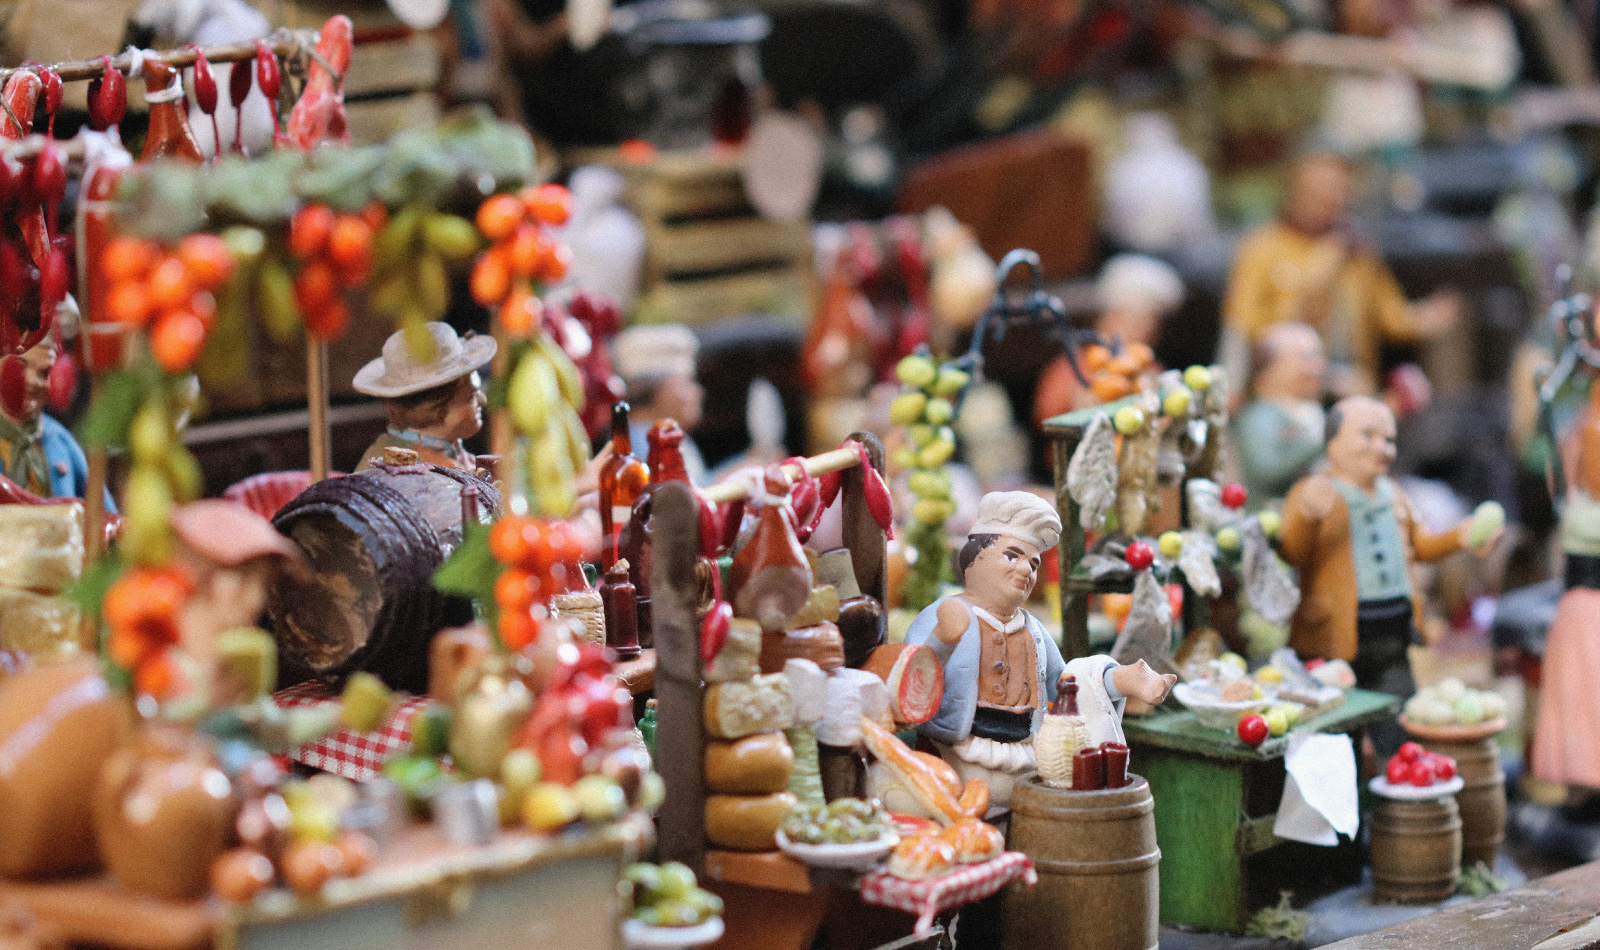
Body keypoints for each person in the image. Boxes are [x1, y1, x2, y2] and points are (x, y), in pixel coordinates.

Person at [905, 491, 1176, 807]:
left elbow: (1065, 686)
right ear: (975, 559)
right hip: (957, 760)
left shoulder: (1031, 629)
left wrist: (1118, 680)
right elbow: (910, 683)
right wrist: (942, 637)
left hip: (1025, 762)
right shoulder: (947, 613)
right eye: (1012, 556)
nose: (1025, 571)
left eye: (1033, 563)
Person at [1278, 397, 1497, 749]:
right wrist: (1307, 515)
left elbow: (1420, 546)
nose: (1381, 448)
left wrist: (1461, 536)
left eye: (1389, 440)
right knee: (1335, 731)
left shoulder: (1394, 495)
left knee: (1398, 722)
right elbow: (1291, 552)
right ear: (1333, 443)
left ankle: (1396, 790)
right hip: (1336, 637)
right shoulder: (1315, 492)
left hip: (1393, 634)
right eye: (1367, 436)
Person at [1219, 153, 1460, 399]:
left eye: (1338, 189)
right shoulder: (1261, 248)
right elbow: (1243, 328)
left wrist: (1425, 318)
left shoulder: (1357, 252)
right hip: (1284, 391)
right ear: (1296, 190)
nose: (1331, 198)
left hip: (1351, 385)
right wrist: (1312, 279)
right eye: (1320, 189)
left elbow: (1390, 316)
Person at [1033, 254, 1185, 426]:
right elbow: (1046, 416)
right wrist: (1078, 402)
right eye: (1131, 320)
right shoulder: (1074, 366)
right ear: (1107, 318)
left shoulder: (1153, 371)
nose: (1142, 330)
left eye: (1149, 324)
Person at [352, 323, 496, 473]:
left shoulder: (446, 448)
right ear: (433, 406)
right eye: (470, 397)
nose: (482, 400)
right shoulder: (396, 466)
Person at [0, 337, 115, 511]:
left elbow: (103, 510)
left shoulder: (59, 440)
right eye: (20, 368)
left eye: (44, 373)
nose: (33, 381)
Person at [1233, 322, 1329, 509]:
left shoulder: (1314, 412)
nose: (1318, 367)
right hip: (1271, 520)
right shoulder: (1259, 415)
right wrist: (1325, 437)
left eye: (1319, 356)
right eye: (1307, 357)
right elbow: (1267, 471)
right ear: (1270, 366)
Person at [612, 324, 708, 483]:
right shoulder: (643, 445)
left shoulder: (668, 436)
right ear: (655, 390)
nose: (697, 392)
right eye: (685, 383)